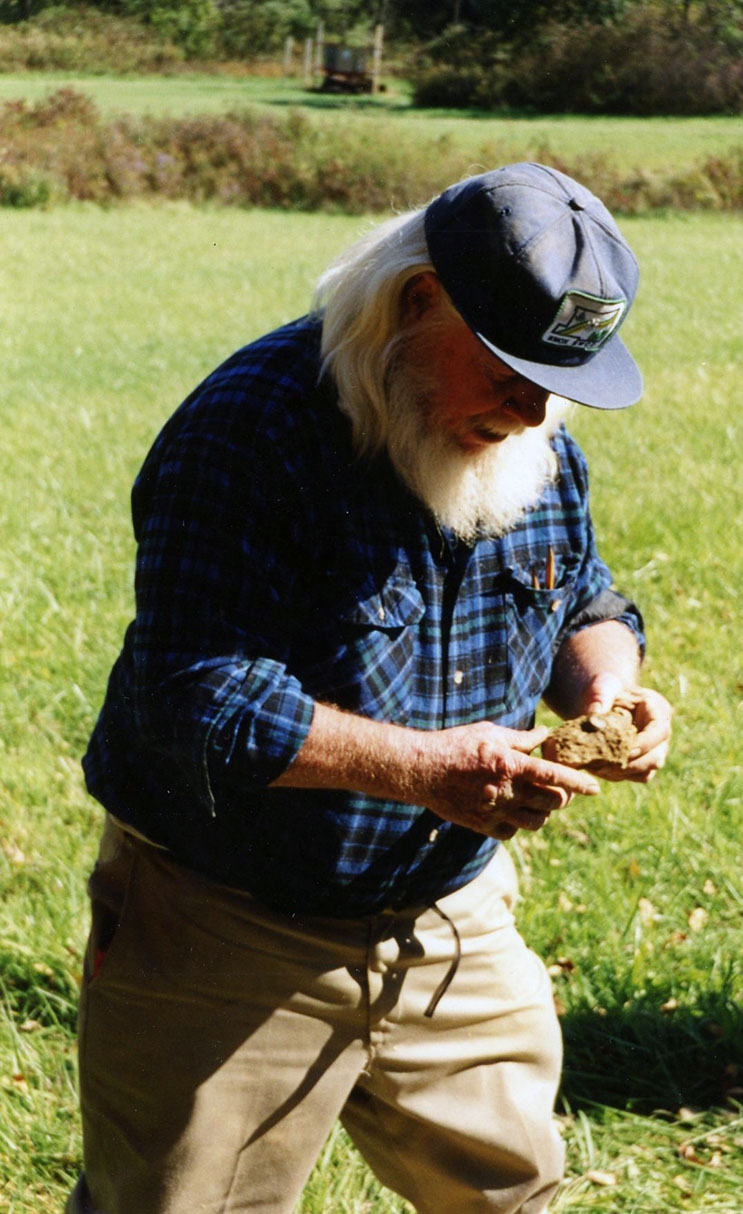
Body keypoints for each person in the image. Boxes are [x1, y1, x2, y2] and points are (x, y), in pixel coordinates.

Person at [67, 162, 672, 1214]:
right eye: (508, 369)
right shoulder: (251, 428)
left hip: (451, 912)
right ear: (416, 300)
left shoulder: (532, 440)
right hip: (231, 927)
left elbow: (583, 598)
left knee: (509, 1194)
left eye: (555, 379)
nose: (533, 409)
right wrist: (421, 769)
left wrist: (608, 688)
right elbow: (193, 694)